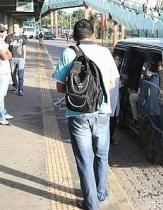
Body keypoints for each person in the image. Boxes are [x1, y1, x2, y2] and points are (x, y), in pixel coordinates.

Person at [53, 19, 117, 210]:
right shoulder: (105, 53)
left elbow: (59, 87)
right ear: (93, 34)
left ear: (74, 36)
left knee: (84, 158)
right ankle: (100, 193)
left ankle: (91, 203)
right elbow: (113, 84)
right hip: (102, 112)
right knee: (102, 155)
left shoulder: (69, 52)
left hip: (77, 113)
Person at [5, 23, 27, 96]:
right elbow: (6, 48)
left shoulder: (22, 38)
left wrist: (24, 59)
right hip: (12, 58)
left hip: (20, 58)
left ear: (19, 29)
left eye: (16, 27)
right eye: (14, 27)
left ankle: (20, 89)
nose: (15, 29)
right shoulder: (8, 38)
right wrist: (8, 56)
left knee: (20, 74)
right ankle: (15, 85)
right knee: (13, 74)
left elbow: (24, 49)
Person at [110, 54, 123, 145]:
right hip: (109, 100)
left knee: (113, 121)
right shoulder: (108, 69)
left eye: (120, 60)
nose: (119, 61)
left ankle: (110, 138)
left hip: (114, 100)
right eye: (118, 59)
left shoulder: (117, 71)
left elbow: (117, 85)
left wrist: (123, 82)